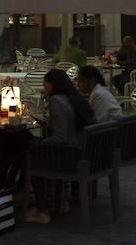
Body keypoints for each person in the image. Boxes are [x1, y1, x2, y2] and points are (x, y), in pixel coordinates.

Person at [24, 68, 95, 225]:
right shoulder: (73, 97)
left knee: (30, 153)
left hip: (68, 154)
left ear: (52, 85)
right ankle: (56, 200)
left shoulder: (56, 100)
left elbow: (60, 137)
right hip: (80, 151)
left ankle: (42, 208)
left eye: (45, 84)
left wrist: (39, 144)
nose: (44, 88)